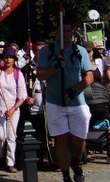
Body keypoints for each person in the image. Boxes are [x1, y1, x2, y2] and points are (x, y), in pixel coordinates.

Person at [36, 21, 93, 182]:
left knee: (79, 138)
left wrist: (75, 90)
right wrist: (54, 68)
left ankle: (76, 160)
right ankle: (66, 174)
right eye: (63, 31)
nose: (66, 34)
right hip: (55, 102)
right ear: (57, 33)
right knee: (61, 139)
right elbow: (40, 75)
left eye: (69, 31)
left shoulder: (79, 51)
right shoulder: (47, 51)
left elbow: (89, 77)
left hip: (77, 102)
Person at [0, 46, 27, 173]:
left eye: (10, 57)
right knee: (1, 136)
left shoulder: (18, 74)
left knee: (11, 136)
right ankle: (1, 156)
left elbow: (22, 95)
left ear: (14, 59)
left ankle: (10, 162)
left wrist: (13, 109)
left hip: (13, 108)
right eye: (6, 57)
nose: (8, 60)